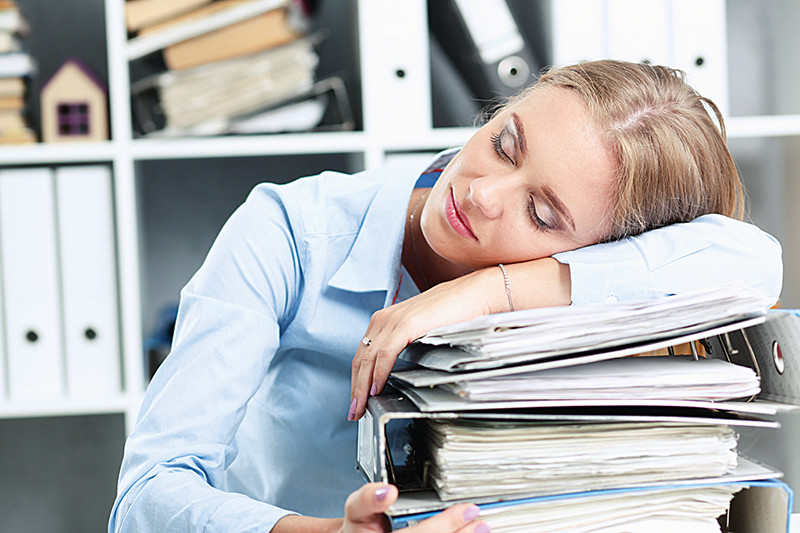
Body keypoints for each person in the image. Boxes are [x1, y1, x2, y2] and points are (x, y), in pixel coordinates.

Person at [109, 60, 782, 533]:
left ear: (597, 251)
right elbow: (143, 498)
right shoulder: (291, 233)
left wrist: (494, 292)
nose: (480, 193)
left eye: (541, 215)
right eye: (505, 144)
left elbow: (753, 262)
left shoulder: (584, 279)